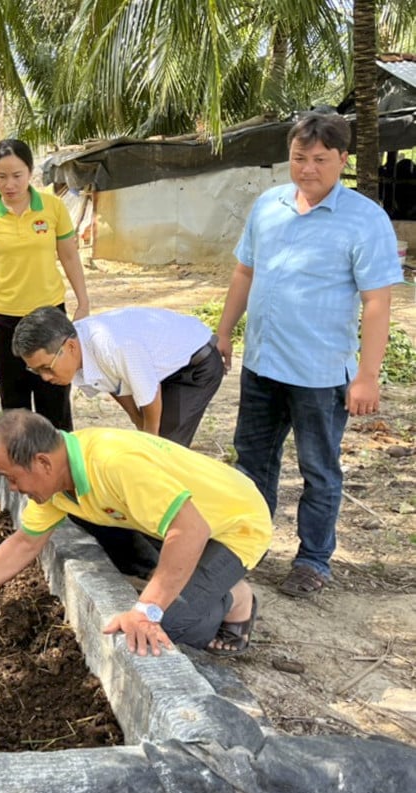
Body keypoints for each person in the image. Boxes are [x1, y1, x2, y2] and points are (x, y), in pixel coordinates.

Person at [216, 112, 404, 599]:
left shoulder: (364, 219)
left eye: (320, 159)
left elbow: (377, 301)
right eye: (299, 157)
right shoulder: (268, 206)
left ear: (343, 159)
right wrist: (223, 334)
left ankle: (313, 559)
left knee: (319, 470)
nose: (307, 168)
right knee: (253, 462)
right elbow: (244, 273)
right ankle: (246, 547)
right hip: (262, 364)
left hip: (320, 374)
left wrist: (367, 375)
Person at [0, 410, 270, 657]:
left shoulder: (112, 463)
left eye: (13, 477)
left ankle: (235, 598)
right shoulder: (57, 483)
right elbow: (25, 541)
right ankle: (192, 579)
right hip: (183, 520)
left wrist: (147, 610)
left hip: (234, 525)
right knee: (160, 595)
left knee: (166, 627)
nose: (13, 489)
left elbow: (191, 529)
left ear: (43, 463)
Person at [0, 139, 90, 427]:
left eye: (17, 175)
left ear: (30, 172)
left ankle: (61, 466)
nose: (10, 184)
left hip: (49, 319)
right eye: (1, 176)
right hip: (2, 321)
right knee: (14, 405)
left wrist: (83, 302)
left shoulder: (53, 208)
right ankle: (19, 468)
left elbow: (69, 256)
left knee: (54, 401)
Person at [12, 306, 223, 446]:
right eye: (36, 371)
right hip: (162, 371)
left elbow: (150, 392)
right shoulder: (79, 350)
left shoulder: (112, 345)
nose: (45, 378)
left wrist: (149, 437)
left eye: (46, 367)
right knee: (151, 441)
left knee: (165, 447)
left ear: (70, 347)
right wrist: (137, 420)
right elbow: (114, 384)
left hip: (195, 365)